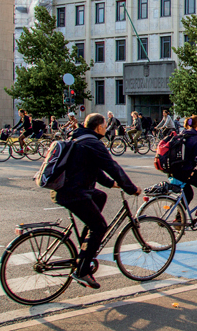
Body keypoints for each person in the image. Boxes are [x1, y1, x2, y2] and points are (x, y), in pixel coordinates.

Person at [52, 113, 140, 289]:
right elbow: (112, 166)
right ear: (99, 127)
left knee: (101, 196)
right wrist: (130, 188)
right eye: (104, 124)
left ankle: (87, 242)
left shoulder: (78, 138)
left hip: (68, 190)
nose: (106, 127)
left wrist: (111, 184)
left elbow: (95, 170)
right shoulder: (93, 143)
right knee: (100, 226)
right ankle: (82, 271)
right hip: (74, 193)